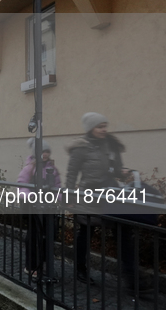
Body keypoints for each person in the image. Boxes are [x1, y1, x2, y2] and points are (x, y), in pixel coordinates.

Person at [65, 112, 125, 284]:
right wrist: (69, 198)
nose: (104, 129)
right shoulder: (81, 147)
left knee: (120, 231)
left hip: (108, 195)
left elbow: (115, 169)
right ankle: (80, 269)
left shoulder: (110, 145)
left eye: (105, 126)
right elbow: (71, 175)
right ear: (90, 128)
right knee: (85, 233)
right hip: (88, 197)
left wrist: (122, 172)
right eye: (100, 126)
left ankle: (127, 273)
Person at [18, 138, 61, 278]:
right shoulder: (29, 168)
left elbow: (57, 186)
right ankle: (30, 266)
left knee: (49, 235)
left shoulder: (52, 169)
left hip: (48, 207)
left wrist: (59, 198)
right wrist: (29, 196)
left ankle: (43, 263)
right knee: (33, 236)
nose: (45, 154)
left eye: (47, 151)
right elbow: (22, 185)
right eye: (43, 151)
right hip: (33, 207)